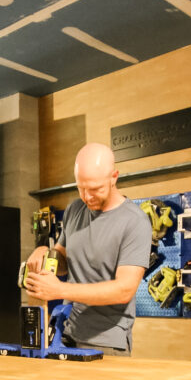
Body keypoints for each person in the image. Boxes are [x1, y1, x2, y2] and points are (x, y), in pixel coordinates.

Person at [25, 142, 152, 356]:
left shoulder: (135, 222)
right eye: (81, 188)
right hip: (66, 334)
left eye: (95, 189)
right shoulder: (76, 209)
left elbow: (124, 290)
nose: (87, 196)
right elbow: (62, 261)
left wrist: (60, 290)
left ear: (114, 177)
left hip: (106, 343)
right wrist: (43, 252)